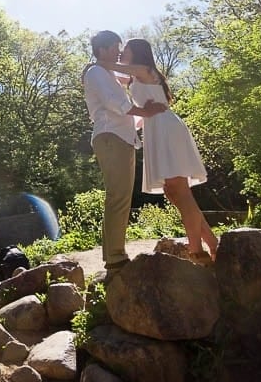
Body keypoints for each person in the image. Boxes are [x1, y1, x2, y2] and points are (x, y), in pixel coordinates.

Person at [119, 37, 218, 263]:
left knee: (180, 191)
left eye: (125, 50)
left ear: (137, 52)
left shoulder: (145, 69)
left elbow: (113, 69)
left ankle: (198, 251)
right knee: (173, 192)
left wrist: (99, 64)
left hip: (166, 129)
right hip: (157, 131)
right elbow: (116, 76)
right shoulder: (136, 76)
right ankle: (212, 242)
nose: (121, 54)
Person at [82, 30, 167, 271]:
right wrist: (144, 112)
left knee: (120, 197)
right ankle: (115, 258)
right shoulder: (96, 71)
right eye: (115, 48)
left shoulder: (108, 73)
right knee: (118, 196)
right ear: (102, 49)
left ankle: (113, 254)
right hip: (111, 137)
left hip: (121, 137)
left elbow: (123, 109)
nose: (119, 52)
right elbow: (114, 103)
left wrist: (146, 117)